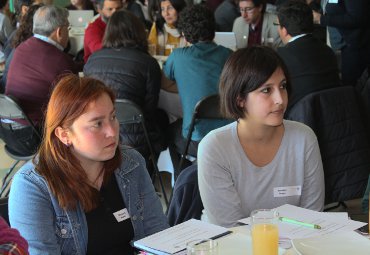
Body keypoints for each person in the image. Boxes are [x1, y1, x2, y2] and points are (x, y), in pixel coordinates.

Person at [8, 75, 169, 254]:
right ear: (64, 135)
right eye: (97, 124)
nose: (112, 131)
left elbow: (158, 236)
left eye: (113, 117)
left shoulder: (131, 163)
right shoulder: (32, 186)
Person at [198, 46, 325, 228]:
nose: (280, 99)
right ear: (239, 99)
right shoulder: (215, 147)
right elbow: (231, 229)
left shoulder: (304, 138)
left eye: (282, 86)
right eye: (266, 90)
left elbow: (313, 217)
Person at [84, 9, 167, 172]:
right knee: (162, 120)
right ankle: (155, 173)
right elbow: (149, 108)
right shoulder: (148, 63)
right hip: (136, 138)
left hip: (98, 133)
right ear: (138, 33)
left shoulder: (92, 61)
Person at [163, 5, 232, 174]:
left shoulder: (178, 57)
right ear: (213, 30)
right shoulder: (229, 55)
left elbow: (165, 82)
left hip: (195, 139)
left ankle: (184, 179)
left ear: (184, 33)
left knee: (168, 132)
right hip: (230, 135)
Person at [3, 5, 80, 156]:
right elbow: (75, 98)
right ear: (59, 31)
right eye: (68, 28)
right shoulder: (60, 60)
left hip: (7, 132)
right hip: (32, 137)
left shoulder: (21, 48)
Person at [276, 0, 340, 109]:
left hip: (300, 118)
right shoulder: (328, 51)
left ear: (284, 30)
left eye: (277, 25)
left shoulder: (281, 57)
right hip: (335, 112)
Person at [313, 0, 370, 86]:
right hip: (343, 45)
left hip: (356, 45)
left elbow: (357, 18)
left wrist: (322, 19)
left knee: (353, 86)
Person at [1, 4, 43, 91]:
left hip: (5, 88)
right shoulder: (34, 43)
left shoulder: (17, 34)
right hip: (13, 91)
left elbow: (6, 54)